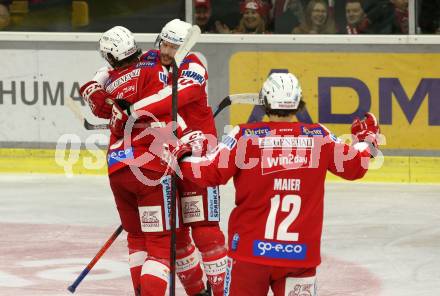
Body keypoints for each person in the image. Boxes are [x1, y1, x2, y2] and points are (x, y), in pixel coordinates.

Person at [178, 72, 381, 295]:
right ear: (299, 103)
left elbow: (208, 172)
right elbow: (357, 165)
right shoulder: (319, 136)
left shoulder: (243, 136)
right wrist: (367, 139)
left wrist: (181, 155)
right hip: (300, 256)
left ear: (264, 102)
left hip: (250, 254)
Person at [81, 20, 228, 295]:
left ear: (186, 47)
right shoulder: (149, 59)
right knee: (177, 237)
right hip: (162, 159)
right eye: (165, 43)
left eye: (175, 46)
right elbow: (107, 73)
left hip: (196, 155)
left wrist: (129, 109)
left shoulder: (194, 65)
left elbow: (173, 96)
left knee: (204, 228)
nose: (167, 50)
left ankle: (221, 292)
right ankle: (198, 292)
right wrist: (100, 93)